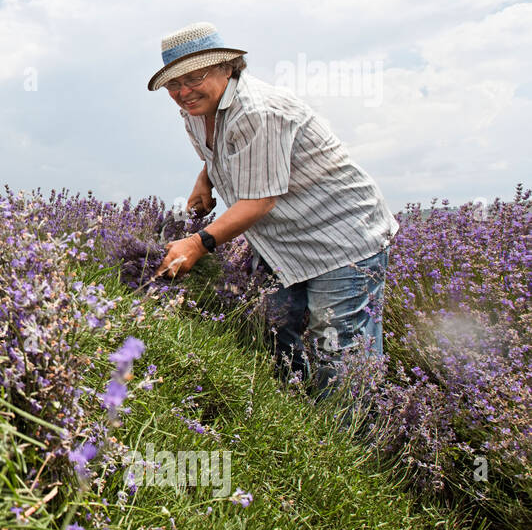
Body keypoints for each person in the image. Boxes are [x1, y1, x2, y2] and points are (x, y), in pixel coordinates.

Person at [150, 22, 399, 398]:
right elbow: (219, 152)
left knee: (337, 344)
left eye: (195, 77)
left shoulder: (257, 111)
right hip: (283, 240)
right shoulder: (197, 109)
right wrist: (207, 177)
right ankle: (298, 413)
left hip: (342, 236)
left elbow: (260, 200)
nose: (183, 92)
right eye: (173, 84)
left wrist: (198, 244)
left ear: (227, 67)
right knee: (278, 328)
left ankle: (351, 445)